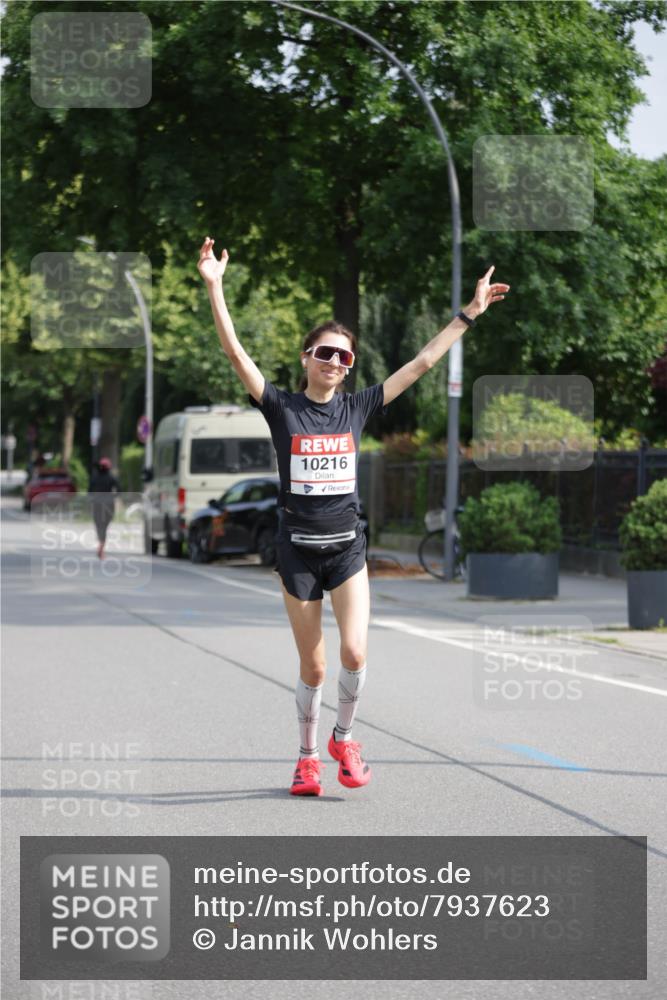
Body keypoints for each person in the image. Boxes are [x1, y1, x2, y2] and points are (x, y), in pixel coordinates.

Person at [197, 236, 509, 796]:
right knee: (314, 670)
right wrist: (216, 287)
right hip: (297, 553)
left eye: (345, 356)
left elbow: (422, 363)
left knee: (357, 651)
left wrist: (469, 314)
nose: (336, 362)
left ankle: (344, 737)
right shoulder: (281, 407)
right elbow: (236, 353)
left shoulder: (357, 406)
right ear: (306, 359)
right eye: (326, 353)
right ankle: (307, 757)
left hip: (348, 550)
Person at [88, 457, 119, 560]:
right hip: (109, 505)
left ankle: (101, 543)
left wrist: (92, 499)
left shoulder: (94, 478)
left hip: (97, 504)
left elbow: (89, 492)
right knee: (105, 526)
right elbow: (119, 490)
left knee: (98, 525)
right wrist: (113, 497)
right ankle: (102, 545)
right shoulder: (111, 478)